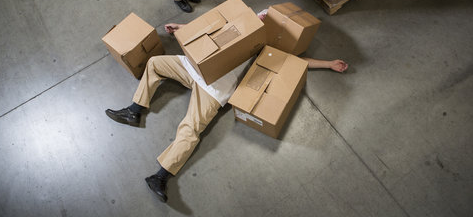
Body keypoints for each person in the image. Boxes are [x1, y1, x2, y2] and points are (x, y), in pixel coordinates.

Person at [105, 18, 348, 203]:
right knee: (155, 63)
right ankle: (134, 110)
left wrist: (328, 64)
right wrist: (183, 27)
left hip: (214, 90)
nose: (264, 19)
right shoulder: (249, 23)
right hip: (193, 68)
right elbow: (215, 32)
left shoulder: (274, 48)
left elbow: (297, 63)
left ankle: (160, 176)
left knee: (190, 129)